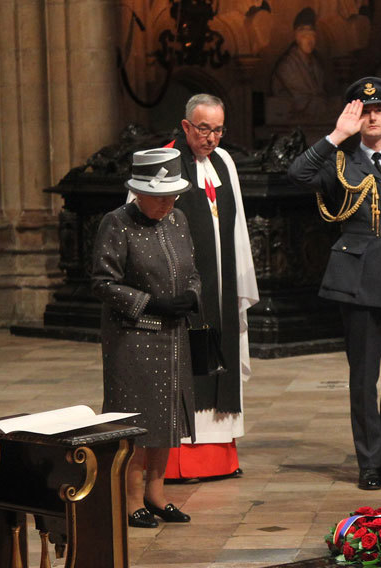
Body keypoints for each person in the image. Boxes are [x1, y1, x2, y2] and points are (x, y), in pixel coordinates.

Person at [288, 77, 381, 491]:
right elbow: (296, 174)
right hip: (358, 284)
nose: (372, 116)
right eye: (364, 110)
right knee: (362, 380)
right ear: (355, 115)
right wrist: (338, 135)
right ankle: (369, 462)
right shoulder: (341, 162)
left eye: (379, 110)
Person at [93, 148, 201, 527]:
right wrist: (151, 303)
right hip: (133, 339)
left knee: (167, 418)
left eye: (172, 196)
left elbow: (191, 270)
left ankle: (156, 493)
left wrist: (191, 295)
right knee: (138, 422)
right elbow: (103, 282)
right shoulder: (117, 222)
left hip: (174, 337)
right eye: (159, 197)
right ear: (139, 192)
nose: (167, 204)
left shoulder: (179, 220)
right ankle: (129, 498)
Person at [161, 94, 259, 480]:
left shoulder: (225, 162)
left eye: (218, 130)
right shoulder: (165, 161)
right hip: (183, 289)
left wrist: (241, 285)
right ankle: (180, 462)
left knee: (222, 363)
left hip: (221, 285)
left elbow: (236, 226)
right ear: (186, 126)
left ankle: (221, 458)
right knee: (189, 366)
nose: (211, 138)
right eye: (204, 129)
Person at [271, 8, 327, 100]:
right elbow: (301, 97)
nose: (309, 41)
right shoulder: (286, 66)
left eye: (312, 36)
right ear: (297, 38)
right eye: (305, 36)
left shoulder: (317, 65)